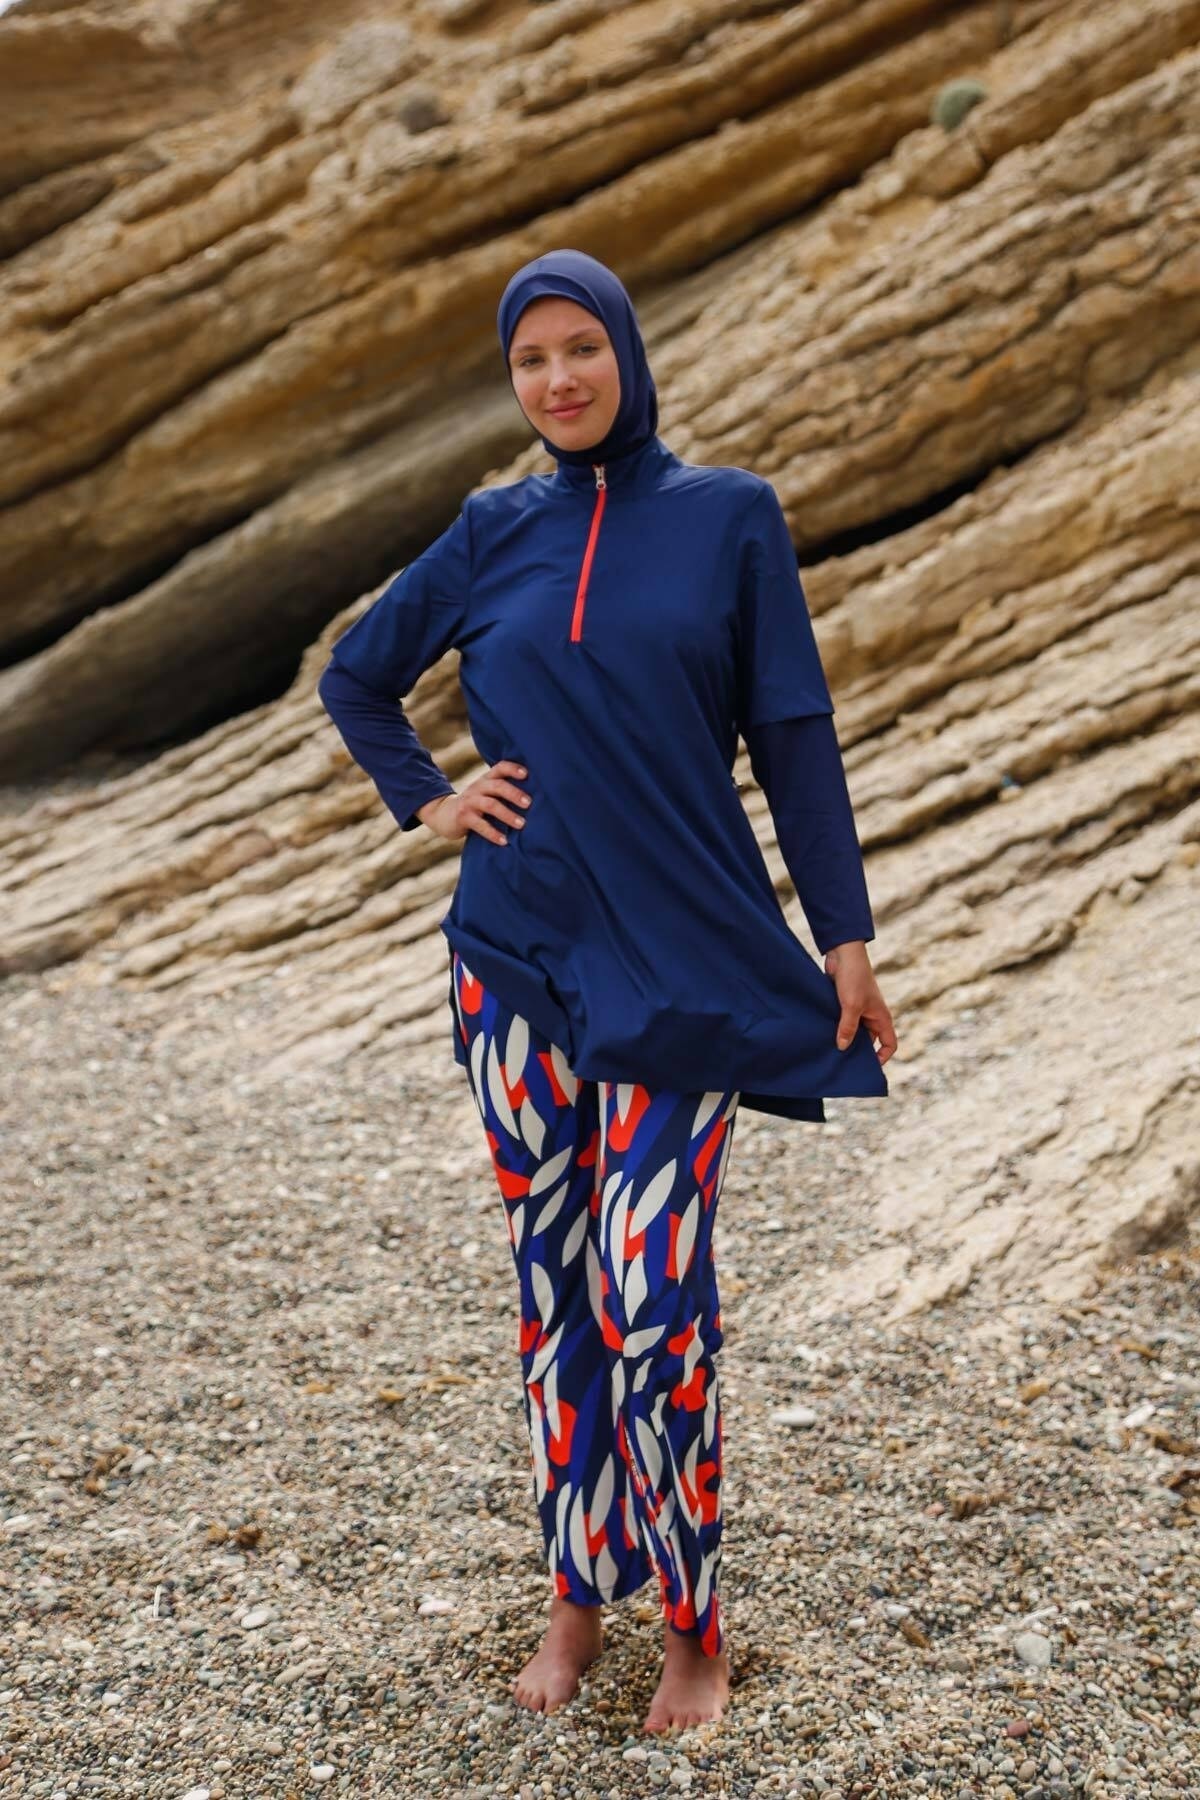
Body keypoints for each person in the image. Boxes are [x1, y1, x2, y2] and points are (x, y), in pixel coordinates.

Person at [318, 248, 897, 1731]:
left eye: (582, 347)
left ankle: (695, 1624)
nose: (559, 378)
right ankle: (577, 1597)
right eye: (531, 359)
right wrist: (431, 798)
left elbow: (794, 731)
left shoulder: (728, 518)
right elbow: (357, 676)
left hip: (680, 971)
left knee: (654, 1299)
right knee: (556, 1288)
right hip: (512, 966)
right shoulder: (490, 528)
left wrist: (844, 933)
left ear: (628, 354)